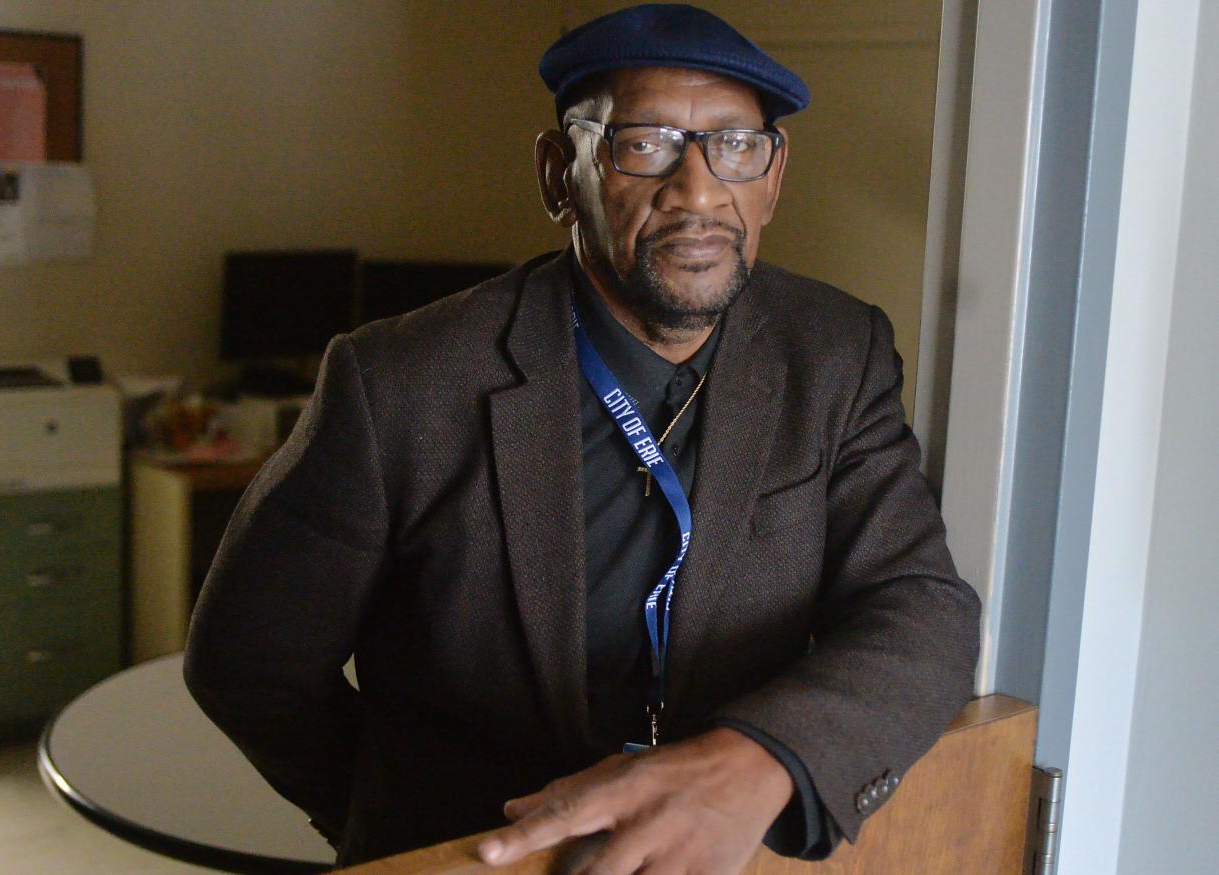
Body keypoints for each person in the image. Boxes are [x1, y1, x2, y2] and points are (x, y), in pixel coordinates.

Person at [184, 5, 981, 872]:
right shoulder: (399, 385)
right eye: (646, 145)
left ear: (774, 176)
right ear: (560, 173)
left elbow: (920, 609)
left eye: (735, 146)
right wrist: (402, 823)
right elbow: (248, 660)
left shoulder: (835, 351)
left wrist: (755, 762)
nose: (700, 190)